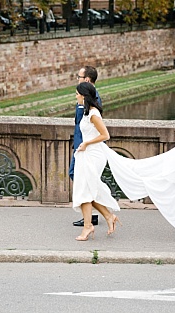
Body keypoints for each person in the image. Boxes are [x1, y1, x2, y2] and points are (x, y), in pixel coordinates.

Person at [71, 82, 120, 241]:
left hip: (94, 154)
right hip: (86, 154)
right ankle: (107, 216)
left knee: (86, 190)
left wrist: (86, 143)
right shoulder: (86, 112)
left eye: (77, 93)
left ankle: (88, 226)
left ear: (84, 96)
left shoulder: (93, 114)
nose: (76, 96)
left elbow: (105, 135)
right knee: (86, 190)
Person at [72, 66, 101, 228]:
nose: (77, 79)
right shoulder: (83, 98)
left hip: (87, 149)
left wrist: (85, 144)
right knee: (80, 179)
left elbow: (101, 132)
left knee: (86, 182)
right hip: (80, 147)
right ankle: (92, 215)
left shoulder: (92, 102)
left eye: (79, 77)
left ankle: (93, 216)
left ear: (87, 80)